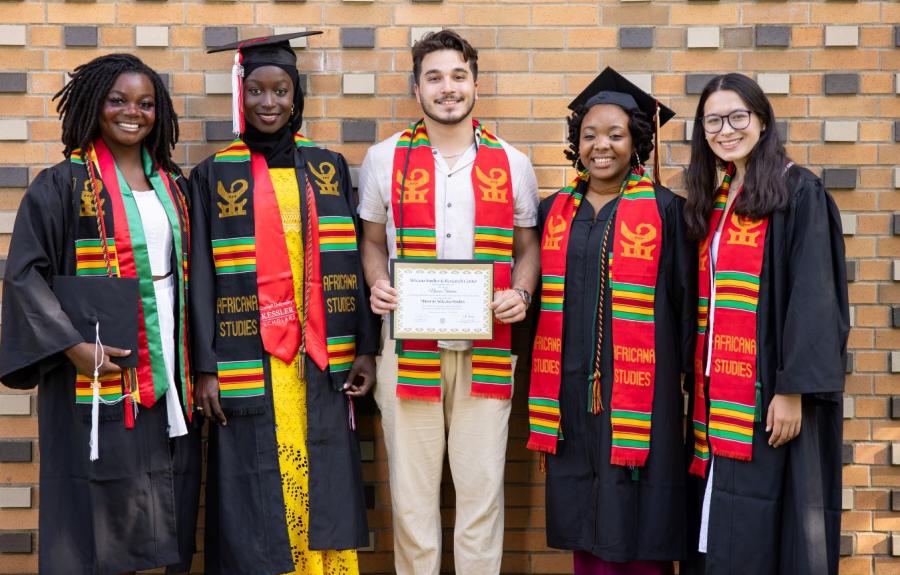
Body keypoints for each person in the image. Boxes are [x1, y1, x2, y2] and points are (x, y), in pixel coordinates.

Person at [0, 54, 199, 574]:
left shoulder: (174, 185)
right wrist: (72, 347)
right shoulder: (61, 186)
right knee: (97, 511)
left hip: (165, 366)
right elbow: (24, 276)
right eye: (117, 100)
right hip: (94, 369)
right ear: (94, 106)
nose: (132, 112)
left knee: (161, 498)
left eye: (146, 103)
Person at [189, 32, 379, 575]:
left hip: (320, 356)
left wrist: (365, 347)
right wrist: (205, 367)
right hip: (249, 353)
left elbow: (354, 265)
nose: (268, 103)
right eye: (256, 91)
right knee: (254, 483)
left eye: (281, 90)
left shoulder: (327, 167)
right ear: (239, 96)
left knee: (323, 473)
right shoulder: (212, 175)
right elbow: (201, 276)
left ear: (297, 98)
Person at [358, 29, 540, 575]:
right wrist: (376, 282)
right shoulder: (383, 158)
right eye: (434, 77)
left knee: (481, 491)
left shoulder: (513, 163)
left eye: (458, 76)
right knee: (412, 497)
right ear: (417, 89)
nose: (447, 88)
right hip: (406, 345)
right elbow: (371, 241)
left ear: (476, 84)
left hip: (487, 345)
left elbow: (527, 248)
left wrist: (521, 292)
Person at [526, 67, 694, 575]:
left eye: (616, 134)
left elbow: (688, 304)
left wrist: (686, 377)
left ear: (637, 141)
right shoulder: (552, 210)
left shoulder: (669, 211)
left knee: (641, 508)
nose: (601, 145)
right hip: (570, 388)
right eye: (589, 134)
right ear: (576, 143)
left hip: (645, 391)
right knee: (583, 499)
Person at [680, 73, 849, 575]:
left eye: (737, 117)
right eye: (713, 120)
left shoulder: (798, 191)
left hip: (771, 394)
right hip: (722, 395)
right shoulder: (719, 196)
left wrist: (793, 389)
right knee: (725, 522)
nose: (725, 129)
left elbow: (814, 297)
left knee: (774, 525)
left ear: (762, 121)